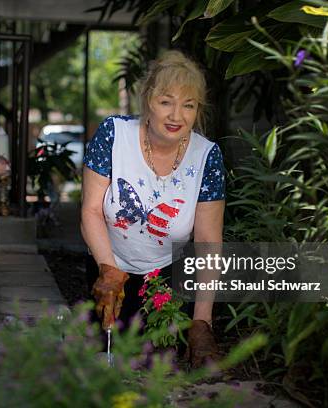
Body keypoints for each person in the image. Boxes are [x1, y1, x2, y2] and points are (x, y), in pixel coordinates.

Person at [81, 50, 226, 368]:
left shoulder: (207, 156)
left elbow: (208, 242)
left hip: (165, 281)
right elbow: (91, 211)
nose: (177, 115)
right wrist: (108, 271)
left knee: (158, 363)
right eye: (166, 101)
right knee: (105, 358)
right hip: (111, 269)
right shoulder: (114, 134)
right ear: (148, 100)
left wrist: (202, 323)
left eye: (188, 105)